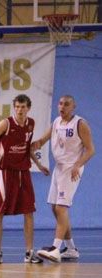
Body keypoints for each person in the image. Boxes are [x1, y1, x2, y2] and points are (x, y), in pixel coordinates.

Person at [0, 94, 49, 264]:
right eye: (17, 107)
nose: (19, 110)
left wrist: (39, 165)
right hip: (5, 172)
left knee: (29, 211)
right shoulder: (6, 123)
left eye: (23, 107)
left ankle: (29, 252)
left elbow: (27, 148)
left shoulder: (31, 124)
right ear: (14, 107)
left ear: (28, 108)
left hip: (23, 171)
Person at [32, 95, 96, 262]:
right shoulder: (56, 122)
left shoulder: (80, 124)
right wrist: (33, 144)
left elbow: (90, 149)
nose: (62, 107)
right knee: (55, 208)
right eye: (60, 104)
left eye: (66, 104)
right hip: (59, 168)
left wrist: (77, 165)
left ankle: (55, 248)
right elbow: (42, 141)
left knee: (61, 208)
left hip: (71, 168)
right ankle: (71, 248)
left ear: (73, 107)